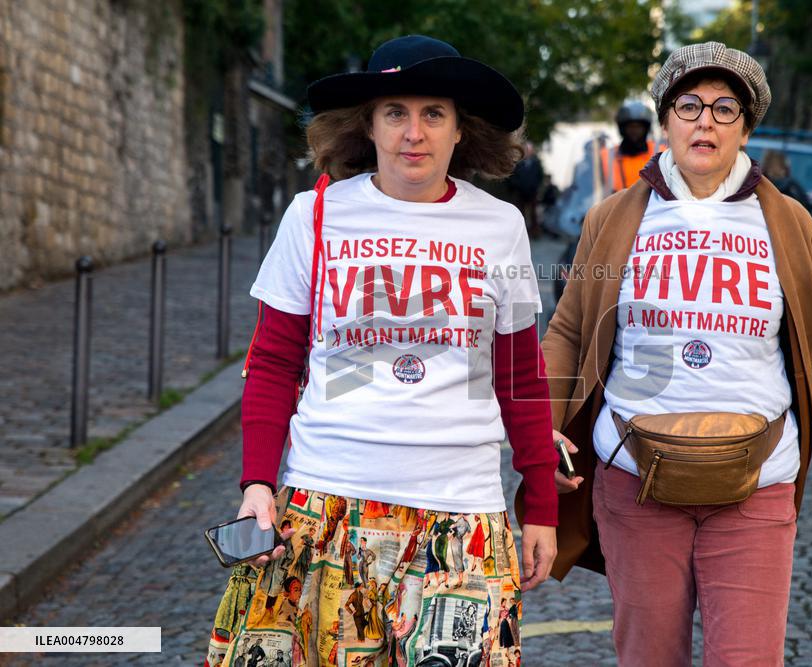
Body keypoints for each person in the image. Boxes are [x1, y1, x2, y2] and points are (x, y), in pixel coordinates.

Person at [538, 41, 812, 664]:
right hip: (634, 482)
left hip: (758, 486)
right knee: (648, 656)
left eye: (725, 107)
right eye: (689, 105)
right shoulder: (613, 218)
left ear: (745, 127)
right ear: (665, 120)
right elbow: (570, 333)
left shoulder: (790, 224)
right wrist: (540, 439)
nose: (705, 121)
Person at [205, 35, 559, 667]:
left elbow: (520, 378)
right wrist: (258, 481)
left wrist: (541, 503)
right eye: (395, 111)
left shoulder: (500, 227)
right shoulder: (312, 217)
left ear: (460, 131)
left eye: (433, 115)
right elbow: (273, 363)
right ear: (368, 125)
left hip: (461, 519)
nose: (413, 133)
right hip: (325, 506)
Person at [599, 101, 665, 194]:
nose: (635, 131)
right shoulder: (606, 156)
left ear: (646, 129)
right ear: (622, 129)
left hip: (656, 208)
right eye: (630, 127)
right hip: (615, 207)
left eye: (639, 127)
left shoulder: (662, 153)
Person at [508, 142, 545, 237]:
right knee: (520, 212)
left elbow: (540, 177)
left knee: (533, 213)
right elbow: (513, 177)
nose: (528, 152)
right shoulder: (519, 164)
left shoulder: (536, 164)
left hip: (532, 192)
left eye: (529, 150)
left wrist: (535, 186)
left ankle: (534, 232)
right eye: (526, 150)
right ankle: (520, 232)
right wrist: (517, 186)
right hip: (520, 192)